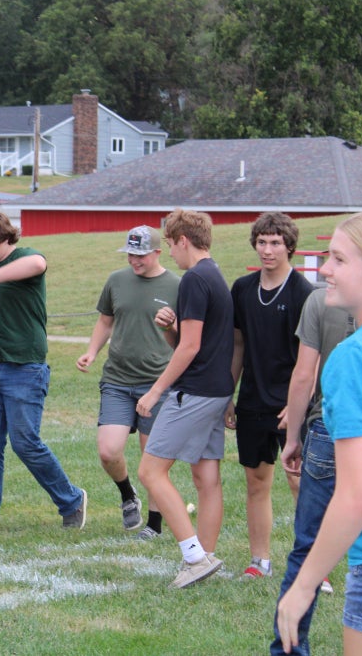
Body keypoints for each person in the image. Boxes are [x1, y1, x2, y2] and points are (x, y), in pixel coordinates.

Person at [277, 210, 362, 656]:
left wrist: (303, 587)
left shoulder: (355, 357)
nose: (325, 270)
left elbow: (360, 495)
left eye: (339, 259)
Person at [0, 211, 87, 531]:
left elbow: (39, 264)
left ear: (6, 239)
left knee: (25, 442)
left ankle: (71, 499)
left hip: (24, 369)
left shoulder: (25, 259)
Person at [137, 208, 234, 588]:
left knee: (150, 471)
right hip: (217, 389)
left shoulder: (194, 279)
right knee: (206, 476)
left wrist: (155, 390)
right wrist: (171, 327)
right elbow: (195, 339)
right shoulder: (215, 274)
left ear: (183, 241)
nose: (170, 255)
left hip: (194, 391)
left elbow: (190, 348)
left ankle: (193, 556)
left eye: (170, 245)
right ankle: (205, 557)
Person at [76, 226, 180, 538]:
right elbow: (106, 320)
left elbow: (187, 337)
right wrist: (92, 352)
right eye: (131, 254)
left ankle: (154, 524)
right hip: (117, 380)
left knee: (153, 460)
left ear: (158, 253)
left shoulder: (177, 285)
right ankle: (126, 495)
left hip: (156, 383)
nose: (135, 260)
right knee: (108, 451)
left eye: (141, 255)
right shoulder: (116, 281)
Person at [227, 212, 314, 579]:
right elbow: (237, 344)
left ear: (289, 246)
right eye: (262, 241)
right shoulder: (242, 289)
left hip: (293, 405)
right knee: (256, 482)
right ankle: (259, 560)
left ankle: (313, 567)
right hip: (252, 403)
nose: (268, 249)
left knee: (301, 483)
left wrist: (295, 408)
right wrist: (226, 395)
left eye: (275, 242)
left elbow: (312, 360)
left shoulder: (304, 293)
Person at [270, 287, 355, 655]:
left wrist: (292, 437)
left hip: (328, 429)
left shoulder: (321, 300)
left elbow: (304, 375)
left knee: (307, 546)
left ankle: (288, 648)